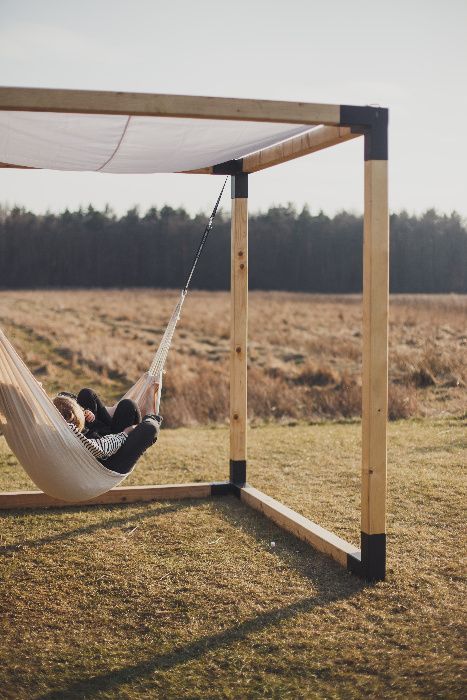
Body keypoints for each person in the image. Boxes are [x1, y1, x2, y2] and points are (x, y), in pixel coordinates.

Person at [52, 394, 162, 474]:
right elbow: (102, 449)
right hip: (107, 464)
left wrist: (85, 414)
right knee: (150, 428)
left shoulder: (53, 422)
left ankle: (144, 417)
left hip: (105, 437)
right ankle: (151, 416)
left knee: (127, 404)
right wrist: (125, 434)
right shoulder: (69, 431)